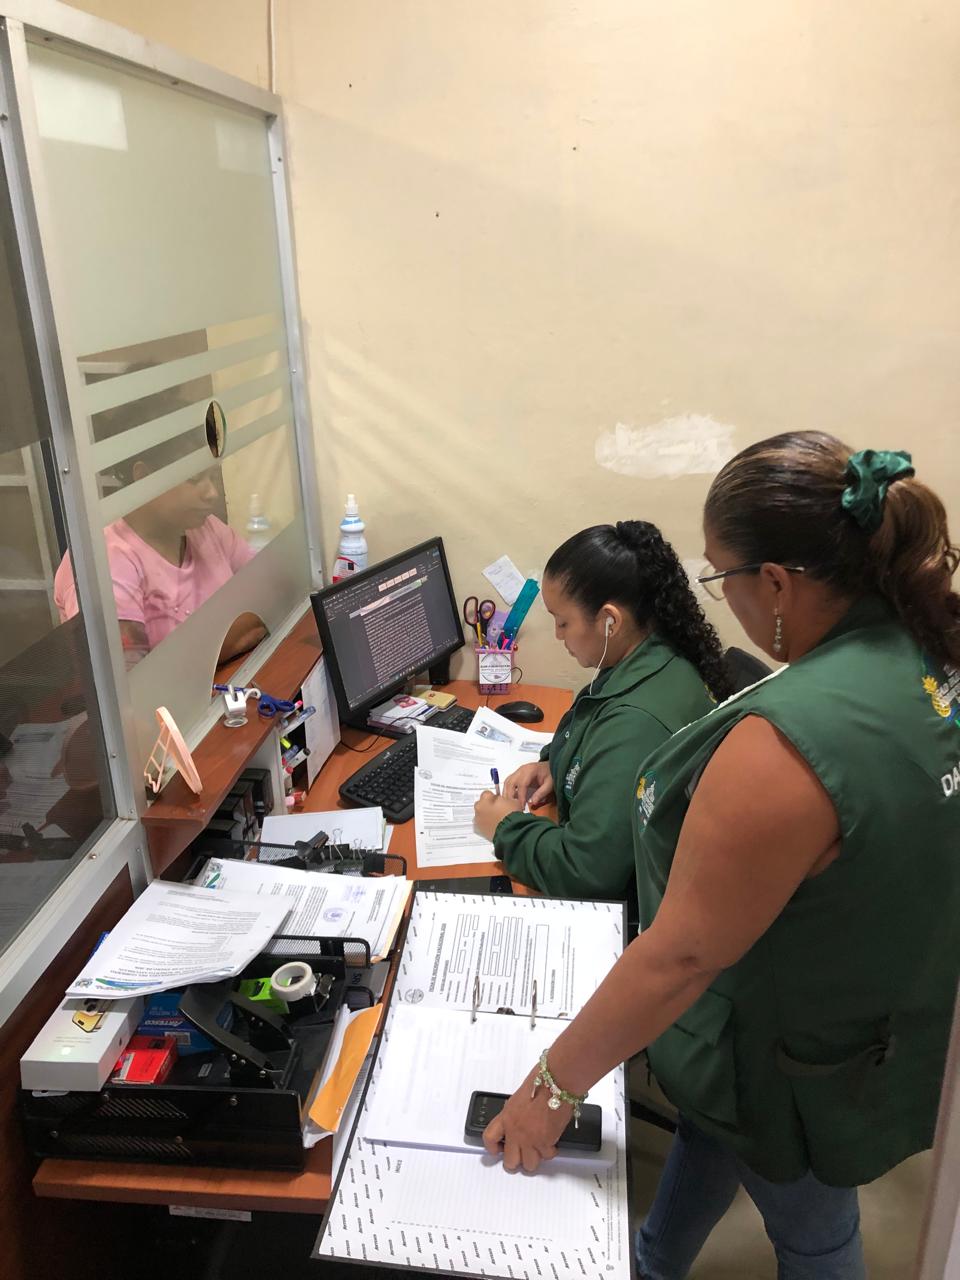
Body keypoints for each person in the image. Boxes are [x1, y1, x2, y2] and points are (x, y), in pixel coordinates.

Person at [482, 432, 960, 1280]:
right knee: (716, 1128)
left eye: (721, 575)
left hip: (796, 1046)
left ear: (774, 582)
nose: (719, 596)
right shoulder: (924, 649)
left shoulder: (786, 742)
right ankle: (656, 1261)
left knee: (814, 1235)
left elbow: (681, 955)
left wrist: (550, 1089)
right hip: (870, 999)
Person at [473, 522, 729, 900]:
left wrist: (504, 827)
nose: (558, 634)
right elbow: (593, 729)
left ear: (610, 620)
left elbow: (584, 871)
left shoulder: (636, 723)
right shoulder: (652, 659)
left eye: (563, 621)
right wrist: (556, 765)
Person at [55, 424, 266, 667]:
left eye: (213, 476)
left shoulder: (204, 528)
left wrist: (200, 649)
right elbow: (132, 675)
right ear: (144, 476)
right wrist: (238, 631)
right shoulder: (106, 560)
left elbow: (271, 592)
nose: (212, 493)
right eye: (194, 479)